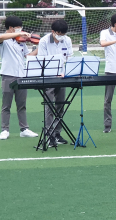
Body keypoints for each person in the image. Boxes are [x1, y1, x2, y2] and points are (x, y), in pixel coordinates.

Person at [0, 16, 39, 140]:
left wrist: (39, 47)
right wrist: (19, 33)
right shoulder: (4, 40)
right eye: (18, 28)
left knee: (22, 104)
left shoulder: (21, 41)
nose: (20, 30)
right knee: (6, 104)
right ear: (10, 28)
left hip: (22, 75)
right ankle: (4, 130)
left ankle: (24, 129)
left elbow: (28, 55)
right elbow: (0, 38)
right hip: (8, 74)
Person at [37, 19, 73, 147]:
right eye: (59, 33)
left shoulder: (67, 40)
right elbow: (42, 60)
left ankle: (57, 133)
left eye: (63, 34)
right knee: (49, 107)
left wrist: (67, 72)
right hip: (49, 77)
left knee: (60, 105)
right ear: (53, 31)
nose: (61, 36)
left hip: (62, 77)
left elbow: (69, 57)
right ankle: (49, 135)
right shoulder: (44, 41)